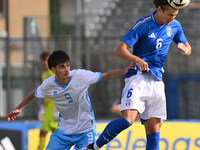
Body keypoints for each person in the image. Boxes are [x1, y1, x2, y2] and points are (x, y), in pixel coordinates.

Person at [87, 0, 191, 149]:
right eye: (169, 15)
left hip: (157, 81)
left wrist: (185, 50)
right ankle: (94, 147)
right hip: (138, 78)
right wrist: (137, 59)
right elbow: (119, 50)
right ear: (160, 9)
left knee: (154, 131)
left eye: (175, 15)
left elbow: (188, 48)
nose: (172, 18)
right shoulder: (144, 24)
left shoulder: (175, 26)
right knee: (127, 120)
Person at [8, 50, 135, 150]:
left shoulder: (80, 76)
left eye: (68, 65)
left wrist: (123, 71)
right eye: (62, 67)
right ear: (53, 70)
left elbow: (105, 75)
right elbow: (34, 93)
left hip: (86, 129)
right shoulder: (48, 84)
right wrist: (19, 107)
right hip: (64, 131)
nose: (67, 69)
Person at [37, 52, 58, 150]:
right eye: (44, 60)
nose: (45, 62)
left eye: (47, 60)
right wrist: (43, 107)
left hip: (55, 109)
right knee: (42, 133)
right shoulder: (44, 74)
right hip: (48, 110)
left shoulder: (53, 73)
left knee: (59, 137)